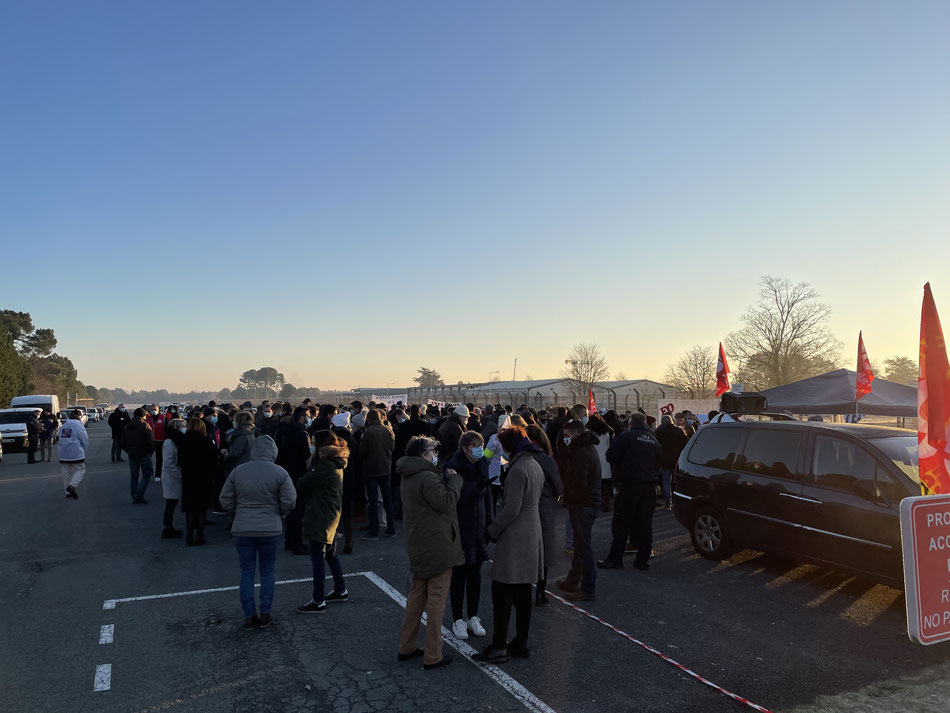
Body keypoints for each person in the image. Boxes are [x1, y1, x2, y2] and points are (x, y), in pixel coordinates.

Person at [473, 426, 544, 664]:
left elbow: (512, 508)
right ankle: (520, 640)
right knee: (524, 591)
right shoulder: (534, 464)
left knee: (502, 591)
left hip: (515, 535)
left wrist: (491, 531)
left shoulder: (517, 469)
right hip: (532, 530)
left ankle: (498, 645)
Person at [395, 436, 463, 670]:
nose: (436, 455)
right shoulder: (427, 477)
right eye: (433, 451)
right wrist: (455, 482)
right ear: (424, 453)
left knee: (417, 595)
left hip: (418, 542)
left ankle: (407, 645)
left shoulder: (408, 474)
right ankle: (433, 654)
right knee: (436, 599)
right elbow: (445, 503)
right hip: (437, 544)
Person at [220, 435, 297, 630]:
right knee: (267, 570)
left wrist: (235, 512)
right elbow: (289, 500)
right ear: (273, 452)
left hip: (243, 528)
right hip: (270, 528)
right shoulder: (280, 472)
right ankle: (265, 613)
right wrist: (279, 512)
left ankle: (249, 616)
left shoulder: (239, 471)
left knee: (246, 572)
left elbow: (225, 498)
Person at [598, 412, 662, 571]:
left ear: (630, 423)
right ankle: (642, 560)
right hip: (649, 486)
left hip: (630, 485)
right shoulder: (653, 439)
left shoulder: (626, 437)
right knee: (645, 524)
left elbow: (610, 455)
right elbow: (659, 461)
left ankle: (615, 559)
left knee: (621, 523)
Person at [445, 431, 492, 641]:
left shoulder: (482, 464)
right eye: (475, 444)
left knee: (476, 574)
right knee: (460, 574)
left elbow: (488, 496)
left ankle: (473, 616)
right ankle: (457, 619)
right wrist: (475, 489)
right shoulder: (452, 467)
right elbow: (454, 499)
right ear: (464, 448)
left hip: (479, 527)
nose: (479, 448)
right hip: (461, 528)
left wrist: (491, 522)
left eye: (481, 444)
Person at [296, 430, 349, 614]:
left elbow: (303, 483)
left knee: (318, 555)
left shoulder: (325, 466)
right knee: (330, 553)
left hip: (321, 514)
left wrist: (309, 469)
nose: (311, 444)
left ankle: (318, 600)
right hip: (331, 512)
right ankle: (340, 589)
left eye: (313, 442)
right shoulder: (335, 462)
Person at [555, 420, 601, 602]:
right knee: (581, 544)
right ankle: (572, 580)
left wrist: (569, 499)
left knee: (583, 547)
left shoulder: (581, 452)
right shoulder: (585, 448)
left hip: (583, 504)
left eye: (566, 435)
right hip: (587, 503)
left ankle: (588, 588)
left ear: (575, 434)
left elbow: (579, 482)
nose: (565, 439)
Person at [525, 424, 562, 606]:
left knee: (525, 547)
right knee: (544, 550)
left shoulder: (520, 458)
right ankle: (540, 591)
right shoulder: (546, 459)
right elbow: (558, 486)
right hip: (544, 505)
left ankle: (522, 588)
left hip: (524, 507)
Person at [276, 406, 313, 555]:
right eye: (308, 416)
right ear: (302, 418)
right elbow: (305, 455)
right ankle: (297, 544)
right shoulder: (301, 433)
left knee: (291, 510)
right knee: (299, 510)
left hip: (286, 472)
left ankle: (289, 541)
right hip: (298, 472)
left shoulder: (284, 431)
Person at [179, 418, 219, 546]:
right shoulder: (206, 441)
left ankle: (189, 534)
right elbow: (214, 457)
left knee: (189, 508)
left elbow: (179, 460)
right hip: (204, 477)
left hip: (188, 477)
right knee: (202, 507)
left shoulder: (183, 440)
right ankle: (200, 535)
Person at [358, 409, 395, 541]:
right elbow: (392, 447)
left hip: (371, 469)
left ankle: (374, 530)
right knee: (387, 500)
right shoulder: (388, 429)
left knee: (373, 501)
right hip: (386, 467)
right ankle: (391, 528)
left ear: (368, 419)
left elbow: (362, 451)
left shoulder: (368, 432)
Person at [330, 412, 360, 554]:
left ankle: (332, 541)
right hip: (350, 480)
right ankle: (349, 542)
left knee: (333, 512)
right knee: (348, 513)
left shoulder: (332, 441)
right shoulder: (352, 440)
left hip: (334, 480)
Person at [655, 414, 689, 510]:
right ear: (671, 421)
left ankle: (667, 504)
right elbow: (686, 443)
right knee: (677, 482)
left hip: (664, 461)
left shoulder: (658, 432)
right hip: (677, 461)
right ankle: (677, 502)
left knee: (666, 482)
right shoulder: (678, 431)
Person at [123, 408, 155, 504]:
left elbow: (122, 442)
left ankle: (135, 496)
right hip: (144, 454)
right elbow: (150, 441)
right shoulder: (145, 425)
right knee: (147, 475)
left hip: (132, 454)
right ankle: (139, 494)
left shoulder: (127, 425)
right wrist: (150, 452)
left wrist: (129, 451)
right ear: (143, 415)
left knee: (134, 476)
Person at [161, 418, 186, 538]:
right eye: (183, 426)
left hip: (174, 475)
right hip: (171, 477)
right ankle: (167, 527)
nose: (185, 428)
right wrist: (179, 475)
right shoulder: (169, 442)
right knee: (170, 503)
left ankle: (168, 526)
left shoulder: (178, 440)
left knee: (173, 502)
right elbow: (168, 462)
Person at [586, 413, 614, 512]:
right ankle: (606, 502)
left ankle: (594, 502)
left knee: (593, 483)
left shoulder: (588, 432)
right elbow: (608, 445)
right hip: (605, 459)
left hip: (592, 459)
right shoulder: (606, 432)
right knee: (605, 483)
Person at [58, 409, 89, 499]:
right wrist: (84, 450)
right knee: (80, 470)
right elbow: (84, 439)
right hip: (76, 452)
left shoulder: (64, 425)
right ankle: (72, 485)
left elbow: (60, 438)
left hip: (63, 453)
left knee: (66, 473)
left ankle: (67, 491)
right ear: (79, 416)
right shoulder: (79, 426)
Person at [146, 405, 167, 483]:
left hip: (160, 441)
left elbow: (166, 429)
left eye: (155, 409)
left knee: (159, 459)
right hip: (150, 442)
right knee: (147, 458)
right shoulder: (147, 419)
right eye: (152, 409)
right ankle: (149, 473)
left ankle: (158, 475)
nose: (153, 411)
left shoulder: (163, 418)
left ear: (158, 410)